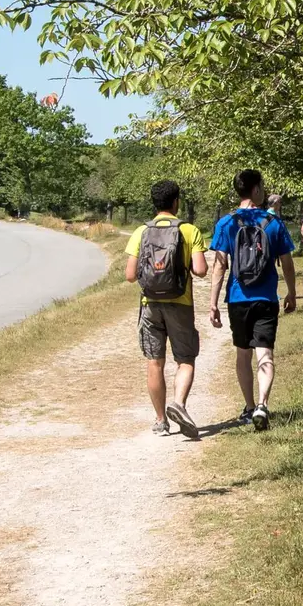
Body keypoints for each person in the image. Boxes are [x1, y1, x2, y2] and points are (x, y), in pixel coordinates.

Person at [208, 169, 297, 432]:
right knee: (265, 352)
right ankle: (262, 404)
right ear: (256, 189)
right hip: (266, 297)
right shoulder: (273, 222)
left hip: (238, 298)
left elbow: (219, 265)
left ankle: (248, 408)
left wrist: (213, 303)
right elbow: (287, 262)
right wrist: (291, 292)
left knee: (243, 353)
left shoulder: (227, 223)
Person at [124, 179, 209, 439]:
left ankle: (161, 421)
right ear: (176, 202)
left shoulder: (141, 231)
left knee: (155, 361)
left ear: (154, 203)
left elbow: (130, 275)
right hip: (180, 303)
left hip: (150, 304)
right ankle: (178, 404)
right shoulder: (189, 230)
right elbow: (201, 270)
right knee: (185, 359)